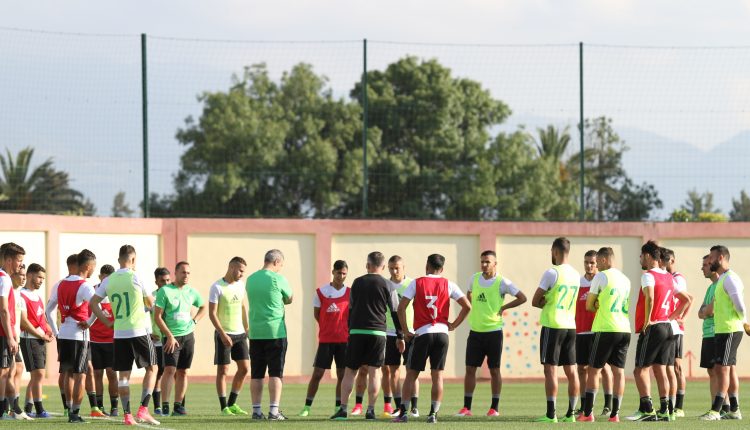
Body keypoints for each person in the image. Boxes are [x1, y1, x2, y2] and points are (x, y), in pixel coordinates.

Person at [393, 253, 472, 424]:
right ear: (442, 269)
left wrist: (406, 331)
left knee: (411, 374)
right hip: (442, 334)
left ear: (426, 266)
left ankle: (403, 413)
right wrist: (453, 325)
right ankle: (433, 414)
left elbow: (401, 308)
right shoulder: (449, 284)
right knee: (438, 376)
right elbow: (467, 306)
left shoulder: (417, 282)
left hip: (423, 333)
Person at [90, 244, 160, 425]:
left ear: (119, 259)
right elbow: (151, 304)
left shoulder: (108, 280)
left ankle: (127, 415)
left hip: (119, 333)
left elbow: (93, 303)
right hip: (138, 331)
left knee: (123, 376)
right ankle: (143, 409)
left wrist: (106, 322)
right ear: (133, 259)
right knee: (153, 368)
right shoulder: (136, 276)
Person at [330, 251, 402, 421]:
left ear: (367, 265)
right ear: (383, 267)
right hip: (378, 333)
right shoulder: (388, 285)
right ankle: (370, 410)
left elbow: (351, 308)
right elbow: (394, 311)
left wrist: (350, 330)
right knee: (375, 372)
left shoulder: (357, 282)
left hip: (356, 332)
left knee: (350, 372)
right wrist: (400, 335)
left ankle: (343, 409)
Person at [457, 250, 526, 417]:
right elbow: (468, 297)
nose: (484, 265)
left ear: (495, 264)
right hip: (475, 332)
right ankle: (467, 408)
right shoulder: (474, 279)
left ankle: (494, 408)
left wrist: (504, 307)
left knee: (494, 370)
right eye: (482, 261)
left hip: (494, 332)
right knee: (470, 369)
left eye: (487, 262)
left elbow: (522, 298)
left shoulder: (503, 282)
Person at [628, 241, 690, 422]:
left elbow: (650, 298)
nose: (640, 259)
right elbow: (686, 299)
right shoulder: (670, 277)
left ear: (647, 256)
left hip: (654, 327)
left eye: (641, 256)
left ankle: (647, 409)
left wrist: (648, 321)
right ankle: (665, 410)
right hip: (669, 328)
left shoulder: (648, 275)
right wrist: (672, 317)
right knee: (660, 370)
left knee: (640, 370)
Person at [577, 247, 631, 422]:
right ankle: (615, 415)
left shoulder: (601, 276)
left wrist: (597, 305)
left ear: (605, 260)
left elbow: (589, 305)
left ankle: (587, 414)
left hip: (605, 328)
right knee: (618, 372)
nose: (597, 266)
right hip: (624, 329)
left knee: (594, 370)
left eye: (598, 262)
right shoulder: (625, 279)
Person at [531, 237, 580, 423]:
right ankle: (571, 414)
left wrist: (546, 302)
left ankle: (551, 414)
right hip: (570, 326)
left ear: (555, 251)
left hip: (553, 325)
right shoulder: (576, 274)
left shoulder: (552, 273)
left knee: (550, 370)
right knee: (571, 370)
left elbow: (535, 301)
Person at [46, 249, 97, 423]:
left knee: (67, 373)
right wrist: (90, 321)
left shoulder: (59, 284)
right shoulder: (84, 285)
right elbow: (96, 305)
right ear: (87, 266)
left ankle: (69, 409)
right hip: (79, 334)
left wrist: (56, 331)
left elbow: (48, 310)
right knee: (80, 374)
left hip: (64, 333)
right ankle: (75, 413)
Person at [700, 245, 749, 420]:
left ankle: (716, 410)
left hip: (729, 330)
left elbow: (740, 305)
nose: (709, 261)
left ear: (720, 258)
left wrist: (745, 322)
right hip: (723, 331)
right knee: (726, 368)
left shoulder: (729, 279)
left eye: (711, 258)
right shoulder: (722, 279)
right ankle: (734, 410)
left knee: (722, 369)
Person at [246, 250, 293, 420]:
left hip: (256, 332)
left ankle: (256, 411)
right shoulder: (278, 278)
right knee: (275, 373)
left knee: (257, 374)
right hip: (275, 331)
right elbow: (290, 298)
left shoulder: (250, 279)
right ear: (276, 262)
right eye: (281, 265)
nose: (280, 268)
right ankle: (274, 411)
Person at [154, 261, 206, 416]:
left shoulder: (192, 292)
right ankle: (164, 405)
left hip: (188, 336)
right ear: (175, 273)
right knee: (169, 370)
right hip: (171, 337)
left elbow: (203, 307)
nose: (186, 275)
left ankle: (178, 406)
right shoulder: (165, 291)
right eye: (183, 272)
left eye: (188, 273)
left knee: (183, 371)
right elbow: (157, 317)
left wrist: (195, 321)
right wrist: (169, 336)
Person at [299, 260, 349, 417]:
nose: (340, 276)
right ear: (333, 272)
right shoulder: (321, 291)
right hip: (326, 341)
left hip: (344, 341)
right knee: (318, 374)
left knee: (342, 375)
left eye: (344, 273)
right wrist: (328, 327)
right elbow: (317, 314)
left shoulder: (350, 292)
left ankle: (337, 407)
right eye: (338, 272)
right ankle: (307, 407)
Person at [208, 257, 249, 416]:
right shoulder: (217, 287)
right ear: (231, 267)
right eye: (240, 270)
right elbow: (212, 314)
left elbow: (243, 307)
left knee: (244, 369)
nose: (242, 274)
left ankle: (232, 403)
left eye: (243, 271)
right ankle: (224, 406)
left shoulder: (241, 285)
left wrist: (247, 328)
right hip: (223, 334)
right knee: (223, 370)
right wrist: (222, 334)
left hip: (240, 334)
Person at [575, 250, 613, 417]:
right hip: (580, 332)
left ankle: (608, 405)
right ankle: (584, 406)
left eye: (592, 262)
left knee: (603, 368)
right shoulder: (577, 282)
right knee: (582, 369)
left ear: (598, 263)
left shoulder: (602, 281)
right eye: (586, 262)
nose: (589, 265)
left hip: (599, 330)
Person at [383, 255, 418, 419]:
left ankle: (414, 407)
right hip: (390, 333)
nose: (394, 270)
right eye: (391, 268)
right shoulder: (385, 285)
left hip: (410, 332)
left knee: (412, 370)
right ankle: (398, 407)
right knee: (393, 371)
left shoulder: (412, 284)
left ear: (404, 267)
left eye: (397, 267)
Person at [661, 248, 693, 417]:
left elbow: (689, 299)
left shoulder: (677, 278)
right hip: (668, 327)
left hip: (675, 328)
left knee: (677, 367)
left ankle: (678, 406)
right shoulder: (665, 278)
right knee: (668, 367)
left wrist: (683, 318)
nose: (661, 264)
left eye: (664, 261)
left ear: (671, 261)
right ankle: (671, 405)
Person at [19, 263, 53, 418]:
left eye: (43, 278)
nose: (41, 280)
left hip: (40, 339)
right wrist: (41, 335)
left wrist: (48, 330)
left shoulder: (38, 297)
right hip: (29, 339)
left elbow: (42, 318)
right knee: (39, 373)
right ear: (30, 275)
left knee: (36, 375)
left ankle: (28, 407)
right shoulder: (21, 295)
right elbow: (24, 322)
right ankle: (39, 409)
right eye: (39, 277)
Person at [88, 264, 119, 417]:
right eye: (104, 277)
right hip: (94, 340)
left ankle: (114, 407)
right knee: (97, 373)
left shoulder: (116, 293)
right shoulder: (92, 291)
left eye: (110, 278)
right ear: (100, 277)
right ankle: (99, 406)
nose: (107, 281)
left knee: (112, 373)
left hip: (112, 340)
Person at [0, 243, 23, 420]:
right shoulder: (4, 278)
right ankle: (1, 411)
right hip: (2, 333)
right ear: (9, 260)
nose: (20, 265)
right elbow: (4, 310)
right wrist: (10, 337)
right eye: (19, 261)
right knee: (4, 372)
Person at [7, 263, 31, 420]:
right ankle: (12, 408)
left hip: (16, 338)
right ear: (12, 275)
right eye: (21, 274)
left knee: (19, 369)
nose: (23, 278)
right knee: (9, 371)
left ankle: (13, 408)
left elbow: (22, 320)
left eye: (24, 275)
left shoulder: (19, 295)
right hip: (8, 338)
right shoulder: (8, 291)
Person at [150, 267, 170, 416]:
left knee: (176, 371)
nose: (166, 283)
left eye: (168, 280)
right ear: (156, 281)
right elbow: (142, 315)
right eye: (162, 281)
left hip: (173, 340)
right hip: (157, 341)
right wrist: (148, 332)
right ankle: (157, 406)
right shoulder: (151, 297)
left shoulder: (175, 294)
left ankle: (178, 406)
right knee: (159, 372)